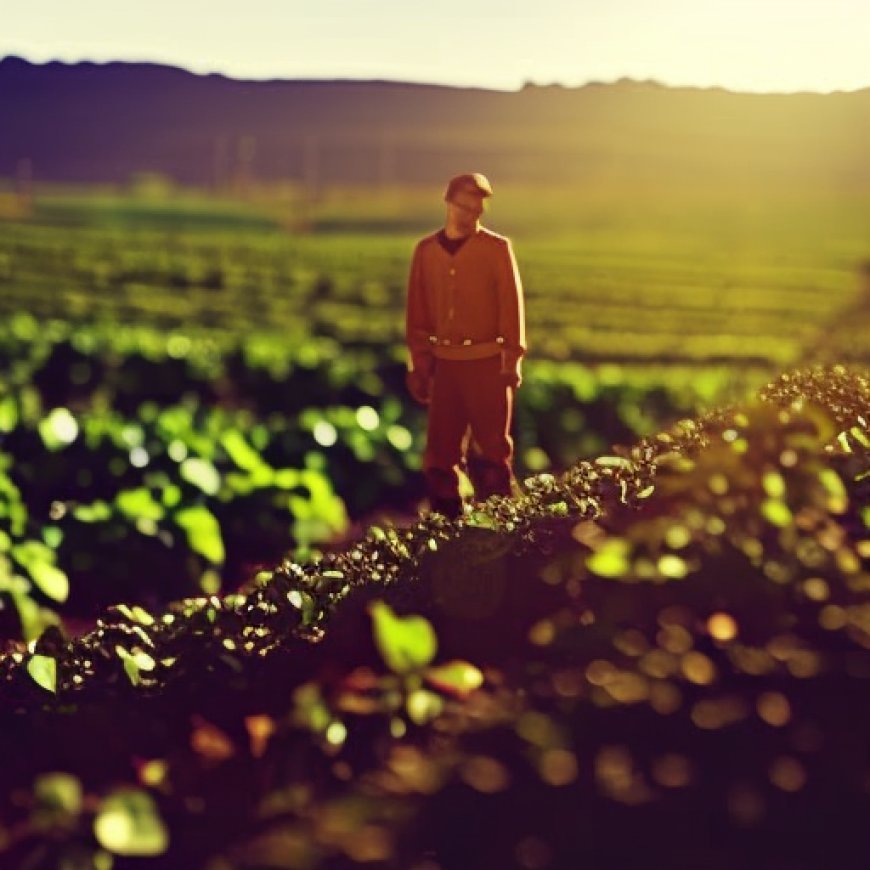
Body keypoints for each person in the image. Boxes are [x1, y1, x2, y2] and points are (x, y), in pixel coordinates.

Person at [405, 172, 526, 518]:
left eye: (477, 208)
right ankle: (449, 524)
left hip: (487, 362)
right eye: (465, 205)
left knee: (493, 450)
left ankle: (501, 521)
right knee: (440, 452)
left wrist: (511, 359)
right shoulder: (426, 252)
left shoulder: (496, 249)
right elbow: (418, 314)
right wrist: (420, 363)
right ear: (449, 203)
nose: (471, 213)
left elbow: (510, 307)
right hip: (446, 366)